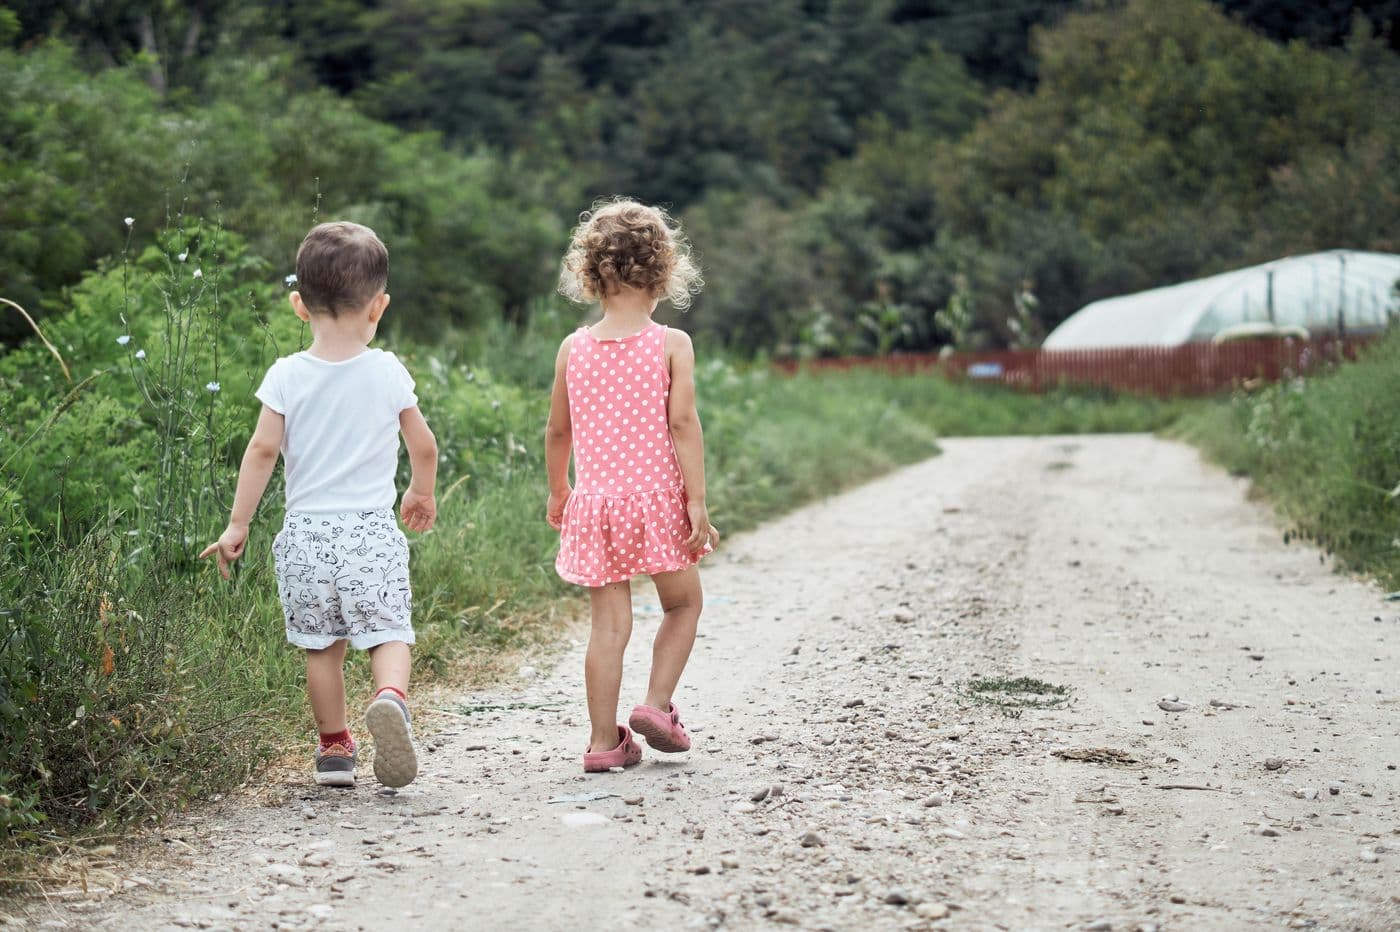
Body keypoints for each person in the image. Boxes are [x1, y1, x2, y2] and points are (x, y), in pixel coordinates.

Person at [200, 221, 438, 789]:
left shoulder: (286, 375)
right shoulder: (386, 370)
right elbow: (424, 445)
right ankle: (390, 697)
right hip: (370, 532)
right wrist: (420, 491)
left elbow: (262, 451)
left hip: (306, 537)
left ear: (299, 306)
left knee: (322, 649)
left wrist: (237, 524)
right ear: (379, 307)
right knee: (388, 632)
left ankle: (334, 750)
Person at [545, 198, 720, 773]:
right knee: (684, 603)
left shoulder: (573, 348)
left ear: (591, 275)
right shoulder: (671, 344)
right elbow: (683, 424)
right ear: (663, 273)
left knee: (608, 626)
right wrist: (696, 501)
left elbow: (558, 430)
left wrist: (559, 491)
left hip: (595, 505)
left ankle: (603, 743)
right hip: (657, 503)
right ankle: (656, 705)